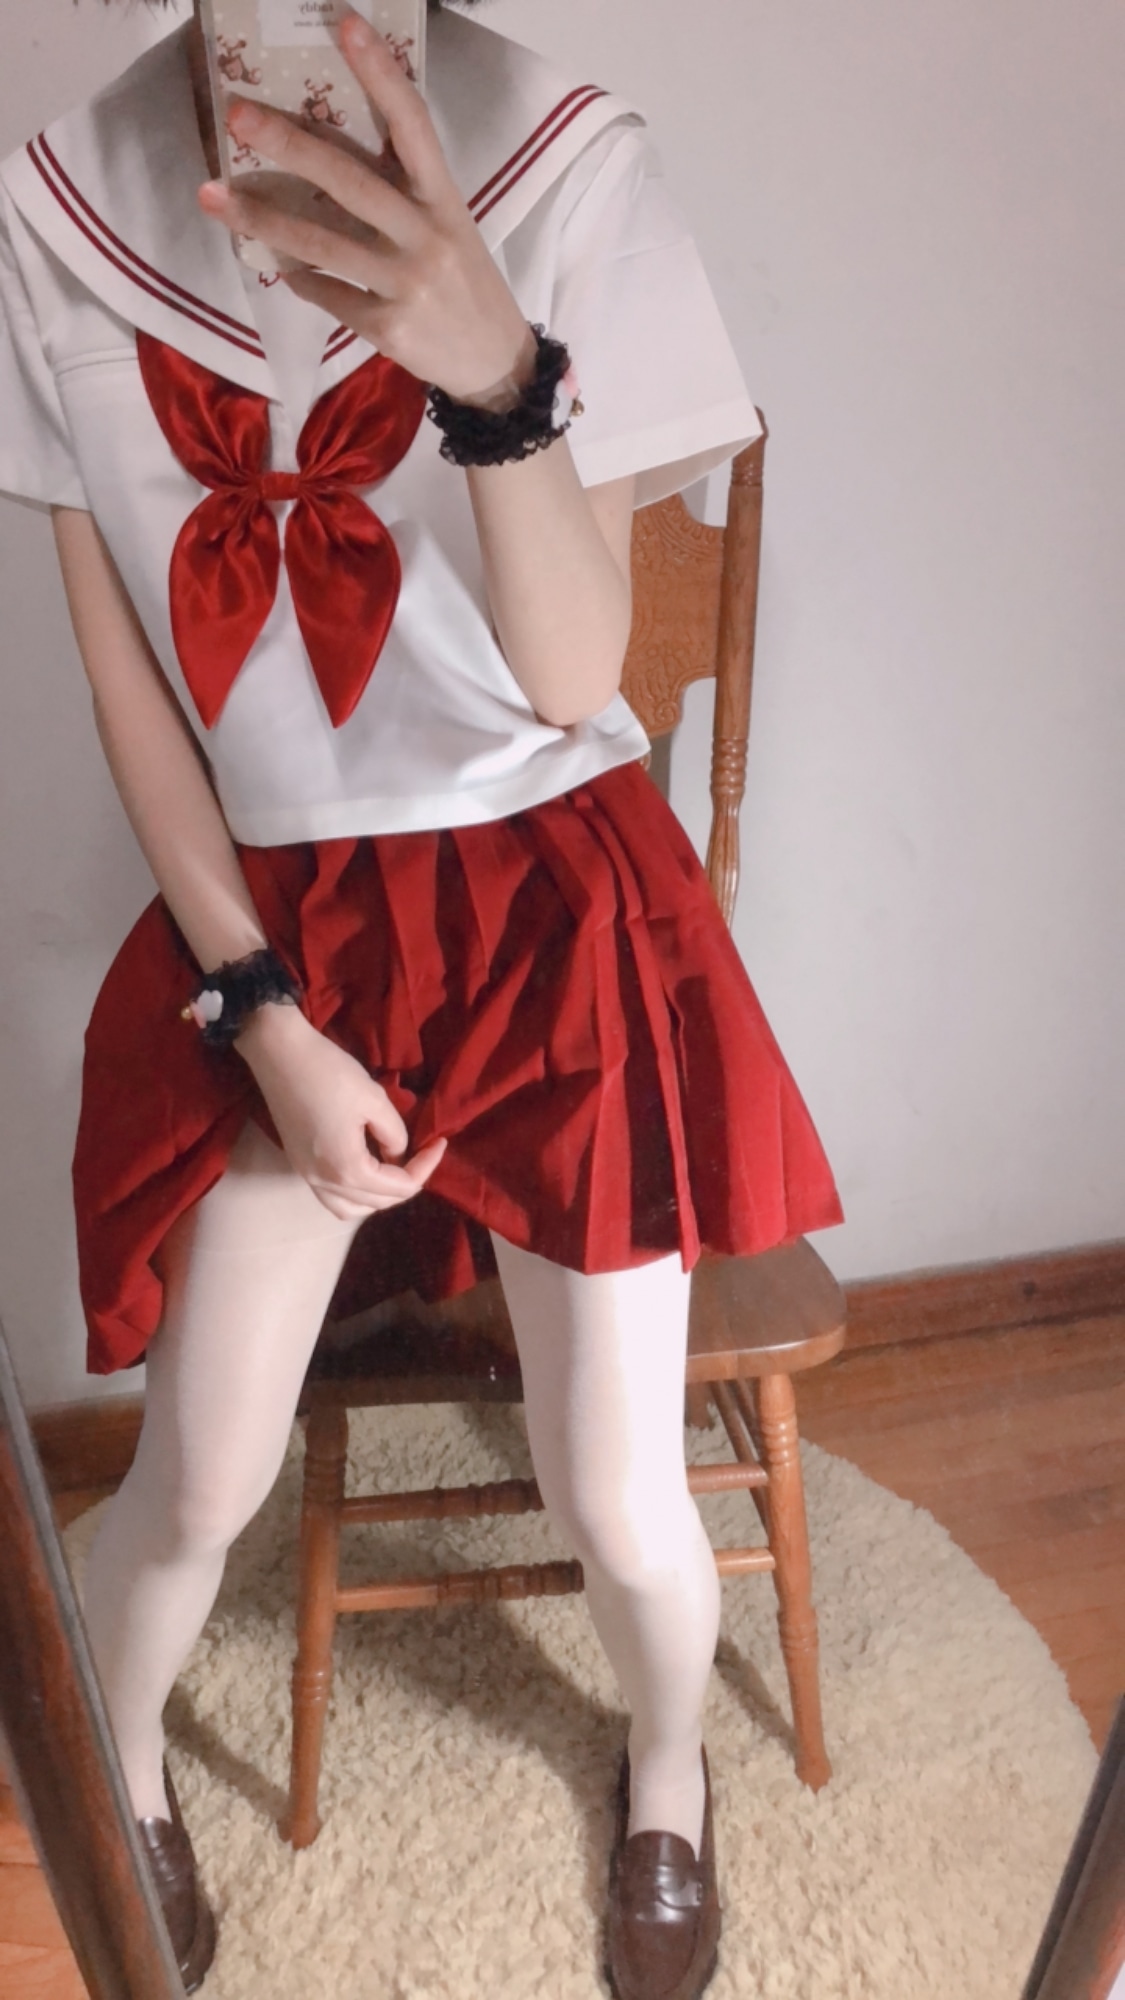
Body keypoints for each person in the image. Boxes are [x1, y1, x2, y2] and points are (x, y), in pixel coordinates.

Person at [0, 2, 842, 1993]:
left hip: (553, 902)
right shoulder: (54, 215)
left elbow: (569, 685)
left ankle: (664, 1771)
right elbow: (132, 691)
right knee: (196, 1474)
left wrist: (496, 378)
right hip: (280, 925)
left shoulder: (565, 159)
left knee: (615, 1491)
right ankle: (122, 1775)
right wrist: (263, 1014)